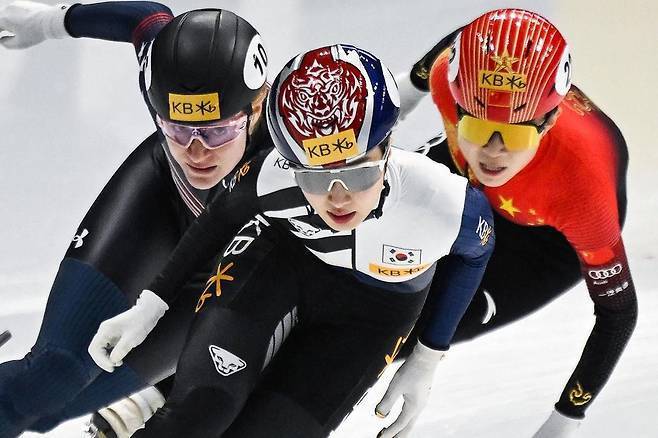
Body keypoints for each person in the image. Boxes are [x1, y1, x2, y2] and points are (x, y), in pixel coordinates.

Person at [86, 43, 495, 437]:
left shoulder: (444, 204)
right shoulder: (272, 176)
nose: (338, 197)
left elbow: (476, 255)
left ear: (386, 148)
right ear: (292, 164)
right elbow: (218, 220)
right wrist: (149, 307)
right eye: (315, 177)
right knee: (200, 413)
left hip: (371, 317)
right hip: (281, 265)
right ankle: (166, 394)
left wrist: (427, 358)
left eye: (357, 174)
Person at [0, 2, 271, 436]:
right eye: (176, 129)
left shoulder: (300, 148)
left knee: (53, 410)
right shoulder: (165, 76)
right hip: (159, 203)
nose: (196, 152)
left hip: (220, 268)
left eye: (218, 131)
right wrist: (47, 23)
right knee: (54, 375)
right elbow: (147, 18)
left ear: (257, 107)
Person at [393, 8, 637, 437]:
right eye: (478, 126)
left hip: (544, 241)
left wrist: (564, 419)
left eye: (515, 134)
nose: (493, 151)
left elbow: (618, 313)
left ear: (550, 121)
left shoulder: (586, 191)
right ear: (459, 103)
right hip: (468, 181)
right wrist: (410, 90)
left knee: (422, 324)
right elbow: (464, 40)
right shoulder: (448, 78)